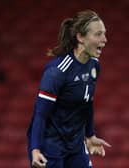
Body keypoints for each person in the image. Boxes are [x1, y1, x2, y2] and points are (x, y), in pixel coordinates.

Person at [27, 10, 111, 168]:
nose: (105, 40)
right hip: (50, 144)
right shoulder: (57, 72)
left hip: (76, 143)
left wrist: (90, 135)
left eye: (104, 34)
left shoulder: (94, 65)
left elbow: (87, 103)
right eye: (98, 34)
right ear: (80, 37)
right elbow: (40, 114)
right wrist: (35, 149)